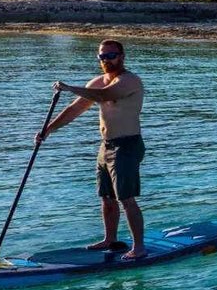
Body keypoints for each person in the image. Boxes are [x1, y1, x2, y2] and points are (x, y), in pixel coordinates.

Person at [37, 39, 148, 258]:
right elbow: (75, 109)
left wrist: (69, 88)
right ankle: (110, 239)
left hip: (127, 145)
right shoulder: (97, 82)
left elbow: (104, 95)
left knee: (126, 198)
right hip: (106, 146)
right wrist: (48, 130)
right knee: (106, 197)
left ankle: (139, 248)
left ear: (122, 56)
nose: (106, 60)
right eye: (102, 56)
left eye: (111, 56)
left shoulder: (130, 81)